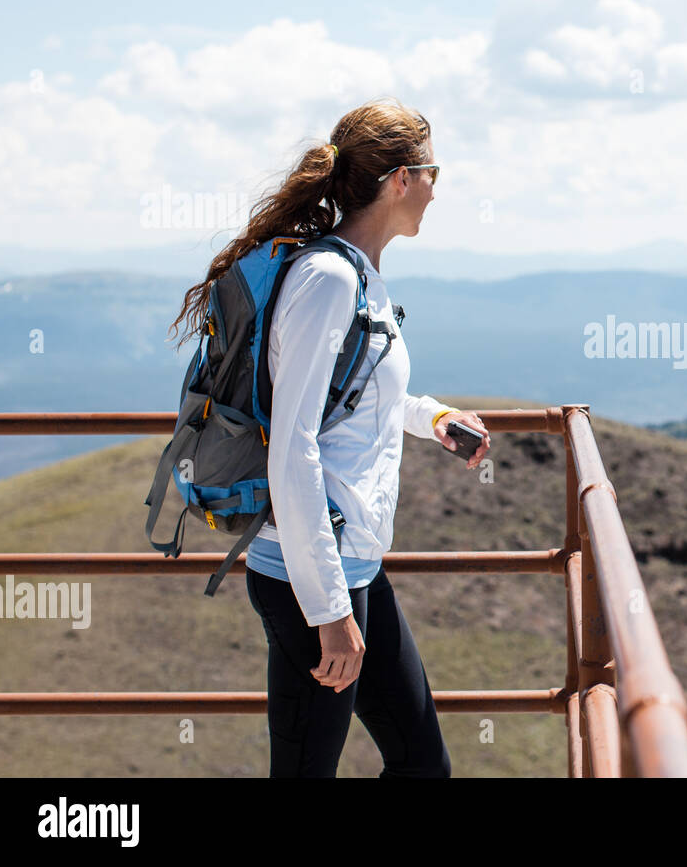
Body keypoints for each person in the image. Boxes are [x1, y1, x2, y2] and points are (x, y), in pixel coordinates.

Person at [167, 97, 490, 777]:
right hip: (310, 580)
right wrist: (329, 611)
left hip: (352, 569)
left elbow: (359, 395)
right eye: (435, 171)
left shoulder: (357, 273)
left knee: (421, 764)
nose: (438, 188)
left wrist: (433, 420)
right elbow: (294, 446)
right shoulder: (327, 280)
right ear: (401, 180)